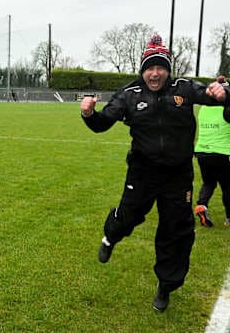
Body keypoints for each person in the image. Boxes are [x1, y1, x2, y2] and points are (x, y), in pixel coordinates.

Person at [80, 34, 229, 313]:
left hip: (178, 174)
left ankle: (165, 286)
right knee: (129, 217)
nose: (155, 72)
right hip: (142, 172)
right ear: (143, 70)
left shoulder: (183, 88)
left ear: (168, 70)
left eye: (161, 67)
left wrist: (222, 92)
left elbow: (211, 95)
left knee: (176, 230)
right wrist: (89, 114)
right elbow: (102, 123)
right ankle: (110, 236)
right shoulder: (129, 94)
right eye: (150, 67)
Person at [193, 75, 230, 227]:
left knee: (208, 183)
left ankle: (202, 204)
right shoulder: (226, 108)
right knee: (227, 187)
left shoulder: (203, 108)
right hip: (222, 152)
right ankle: (229, 218)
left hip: (202, 151)